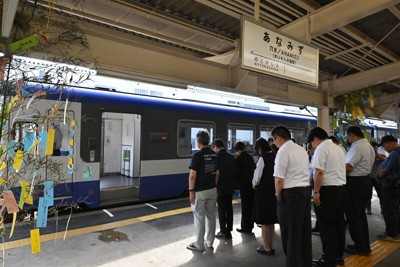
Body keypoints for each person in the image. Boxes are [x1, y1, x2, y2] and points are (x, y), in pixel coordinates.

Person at [272, 125, 312, 267]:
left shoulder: (283, 152)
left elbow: (279, 179)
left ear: (278, 138)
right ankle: (305, 262)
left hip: (291, 195)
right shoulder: (301, 150)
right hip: (305, 193)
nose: (274, 143)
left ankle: (294, 263)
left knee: (290, 233)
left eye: (274, 140)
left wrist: (278, 194)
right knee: (303, 231)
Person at [307, 127, 347, 266]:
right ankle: (338, 256)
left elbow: (318, 172)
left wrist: (316, 192)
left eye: (311, 143)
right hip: (341, 189)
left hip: (327, 191)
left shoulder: (321, 149)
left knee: (326, 225)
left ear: (315, 139)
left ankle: (328, 259)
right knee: (339, 224)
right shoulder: (338, 148)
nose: (312, 146)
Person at [344, 126, 375, 256]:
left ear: (352, 135)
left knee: (353, 217)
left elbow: (348, 167)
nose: (347, 139)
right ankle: (364, 245)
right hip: (365, 182)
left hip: (355, 184)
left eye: (347, 136)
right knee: (360, 216)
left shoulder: (357, 147)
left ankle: (360, 247)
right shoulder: (368, 146)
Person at [187, 130, 219, 252]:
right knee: (211, 216)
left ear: (199, 142)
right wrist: (214, 185)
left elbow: (192, 176)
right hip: (212, 189)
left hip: (200, 191)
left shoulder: (197, 155)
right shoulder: (214, 154)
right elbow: (217, 173)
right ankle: (209, 242)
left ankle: (199, 244)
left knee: (199, 217)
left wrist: (191, 191)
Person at [252, 138, 278, 255]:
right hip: (273, 192)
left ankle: (266, 247)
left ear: (260, 148)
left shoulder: (263, 159)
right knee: (271, 221)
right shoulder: (274, 156)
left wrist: (254, 184)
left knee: (264, 222)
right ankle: (270, 245)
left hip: (263, 193)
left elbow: (257, 177)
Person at [376, 135, 400, 242]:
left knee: (388, 210)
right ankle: (397, 231)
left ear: (389, 143)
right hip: (396, 185)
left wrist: (378, 176)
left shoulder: (394, 154)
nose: (384, 148)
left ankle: (391, 234)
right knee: (395, 209)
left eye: (384, 146)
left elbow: (384, 169)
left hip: (390, 185)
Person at [213, 139, 236, 240]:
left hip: (221, 188)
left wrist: (215, 185)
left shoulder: (216, 157)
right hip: (230, 187)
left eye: (214, 148)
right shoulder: (231, 157)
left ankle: (223, 231)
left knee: (221, 210)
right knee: (229, 208)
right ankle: (229, 230)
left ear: (216, 147)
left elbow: (217, 174)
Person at [233, 141, 255, 234]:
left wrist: (234, 184)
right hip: (251, 185)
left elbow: (236, 174)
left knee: (245, 207)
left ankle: (245, 228)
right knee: (250, 206)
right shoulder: (250, 157)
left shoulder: (238, 159)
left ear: (237, 150)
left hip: (243, 186)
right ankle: (250, 226)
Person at [366, 141, 386, 215]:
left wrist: (375, 153)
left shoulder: (380, 155)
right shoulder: (367, 155)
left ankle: (383, 208)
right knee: (368, 194)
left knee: (381, 194)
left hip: (377, 178)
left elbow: (385, 159)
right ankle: (368, 208)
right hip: (368, 177)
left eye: (376, 147)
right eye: (374, 147)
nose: (375, 149)